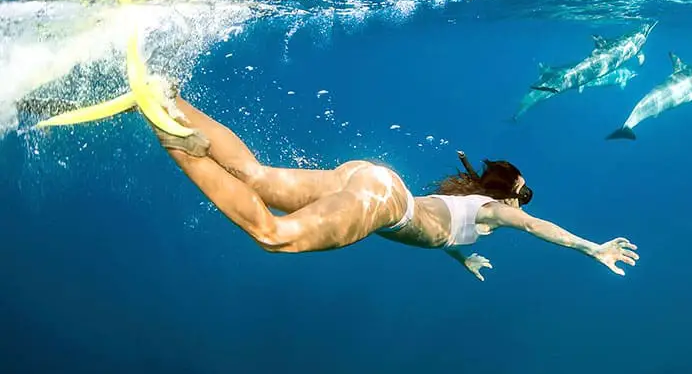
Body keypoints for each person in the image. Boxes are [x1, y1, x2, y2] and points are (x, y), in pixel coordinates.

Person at [146, 92, 640, 281]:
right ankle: (171, 137)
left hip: (369, 177)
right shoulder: (493, 212)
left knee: (256, 175)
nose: (521, 204)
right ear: (504, 196)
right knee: (273, 235)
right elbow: (537, 226)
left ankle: (172, 101)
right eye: (520, 195)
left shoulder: (465, 202)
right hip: (383, 203)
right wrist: (591, 248)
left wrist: (462, 257)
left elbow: (444, 230)